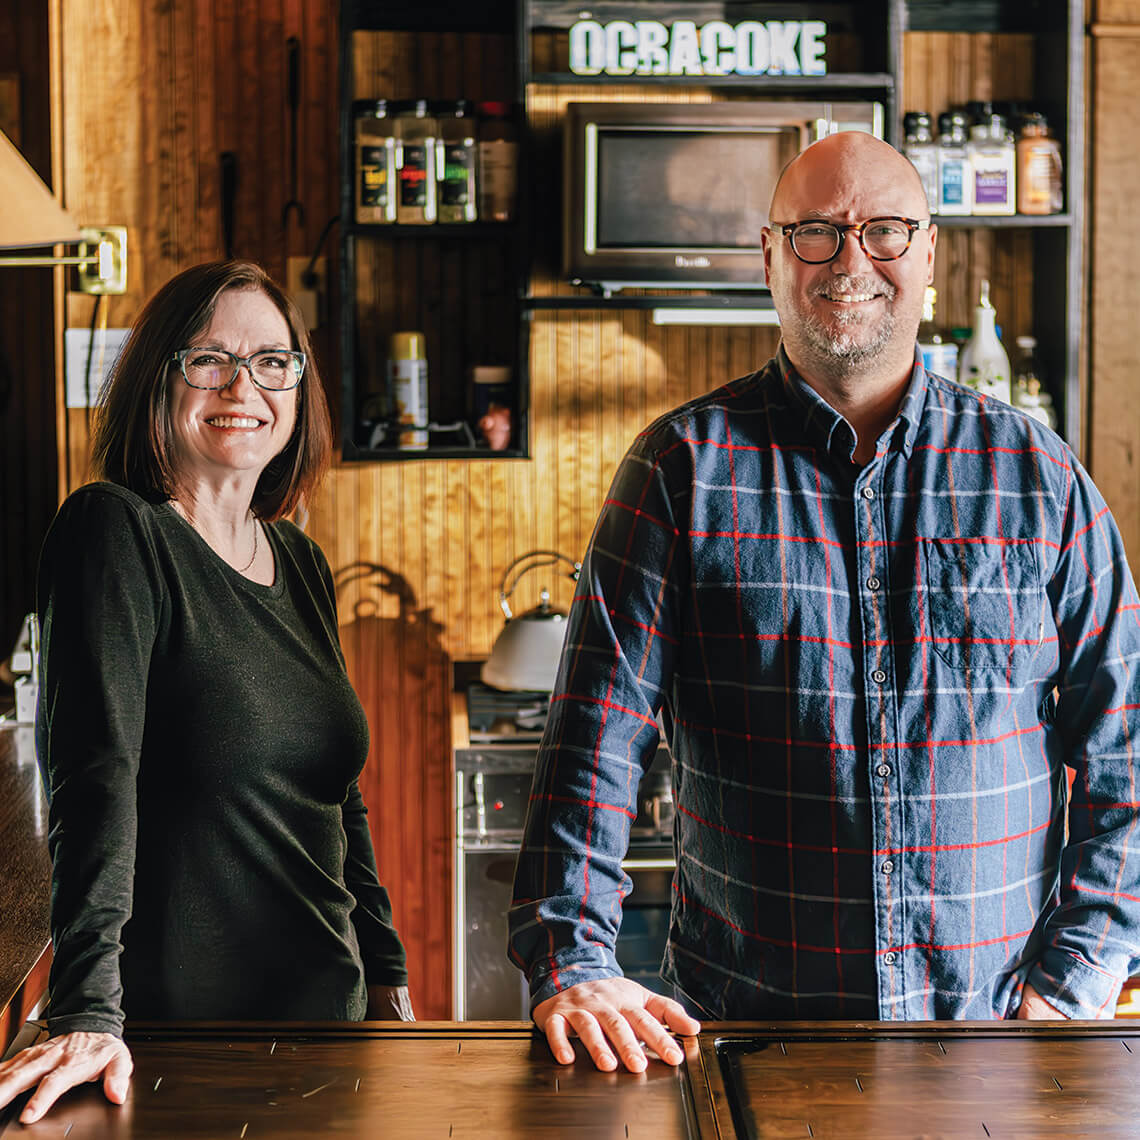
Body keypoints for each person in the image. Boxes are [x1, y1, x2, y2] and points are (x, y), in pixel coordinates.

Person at [508, 131, 1140, 1073]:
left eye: (884, 231)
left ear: (929, 255)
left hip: (995, 1038)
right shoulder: (680, 469)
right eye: (816, 233)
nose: (852, 260)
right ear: (769, 257)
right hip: (743, 1041)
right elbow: (593, 745)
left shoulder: (1040, 477)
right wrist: (573, 961)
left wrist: (1074, 981)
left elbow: (1127, 746)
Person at [0, 261, 412, 1124]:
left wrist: (387, 974)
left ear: (299, 389)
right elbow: (94, 776)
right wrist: (84, 1009)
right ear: (160, 377)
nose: (243, 386)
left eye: (272, 362)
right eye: (210, 360)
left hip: (324, 1027)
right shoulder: (115, 530)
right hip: (178, 1040)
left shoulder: (299, 561)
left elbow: (340, 799)